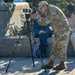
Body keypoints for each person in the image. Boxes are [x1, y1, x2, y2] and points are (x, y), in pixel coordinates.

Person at [30, 1, 71, 70]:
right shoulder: (49, 10)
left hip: (63, 30)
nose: (40, 10)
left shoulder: (52, 10)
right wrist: (38, 17)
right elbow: (44, 22)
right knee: (55, 46)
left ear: (45, 6)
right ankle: (51, 63)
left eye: (41, 8)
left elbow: (46, 22)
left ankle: (62, 64)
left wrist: (36, 17)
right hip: (58, 31)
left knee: (61, 46)